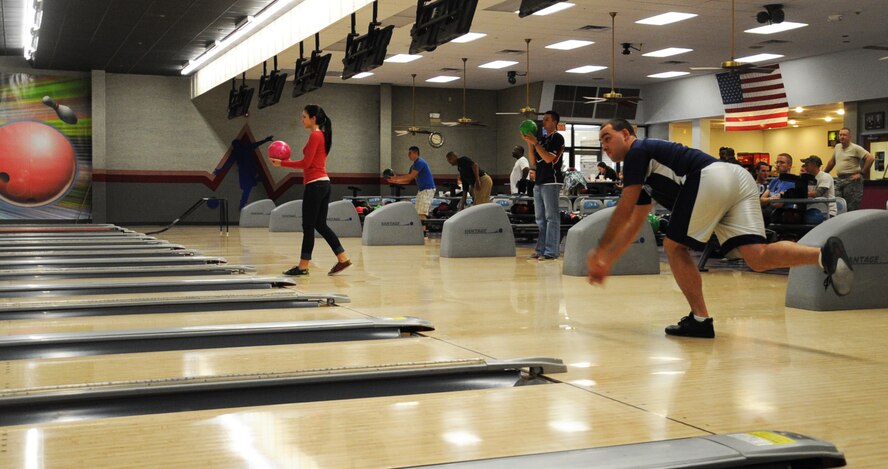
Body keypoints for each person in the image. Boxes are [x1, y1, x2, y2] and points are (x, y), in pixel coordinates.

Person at [586, 119, 853, 339]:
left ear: (626, 134)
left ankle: (700, 320)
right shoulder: (642, 171)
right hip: (737, 178)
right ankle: (822, 254)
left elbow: (624, 207)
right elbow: (634, 220)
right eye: (601, 142)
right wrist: (608, 260)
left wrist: (600, 252)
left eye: (607, 137)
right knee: (757, 257)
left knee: (673, 246)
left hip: (709, 177)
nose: (605, 146)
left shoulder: (638, 150)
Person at [271, 104, 351, 276]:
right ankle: (343, 258)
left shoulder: (316, 135)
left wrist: (283, 163)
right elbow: (310, 162)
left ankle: (303, 266)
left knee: (308, 226)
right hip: (323, 184)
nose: (302, 120)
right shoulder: (321, 136)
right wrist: (291, 161)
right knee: (320, 225)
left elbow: (307, 164)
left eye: (304, 117)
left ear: (313, 118)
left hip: (315, 185)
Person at [521, 110, 565, 260]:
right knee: (540, 218)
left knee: (551, 217)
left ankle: (551, 251)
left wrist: (535, 143)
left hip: (551, 181)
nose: (543, 122)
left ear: (554, 122)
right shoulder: (542, 139)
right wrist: (530, 144)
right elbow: (533, 162)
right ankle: (541, 250)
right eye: (543, 120)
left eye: (546, 120)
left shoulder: (557, 138)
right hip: (539, 181)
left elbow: (548, 158)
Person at [215, 135, 273, 209]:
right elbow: (228, 163)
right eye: (237, 145)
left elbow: (228, 164)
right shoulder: (240, 150)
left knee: (249, 188)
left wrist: (266, 140)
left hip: (250, 171)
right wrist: (220, 170)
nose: (238, 147)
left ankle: (243, 203)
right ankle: (243, 204)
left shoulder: (244, 149)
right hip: (247, 172)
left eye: (238, 145)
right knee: (248, 188)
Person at [824, 127, 875, 211]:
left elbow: (870, 158)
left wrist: (861, 173)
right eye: (840, 135)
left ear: (850, 137)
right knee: (838, 205)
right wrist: (824, 173)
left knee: (851, 207)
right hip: (840, 179)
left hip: (852, 180)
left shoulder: (855, 148)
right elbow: (832, 162)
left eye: (844, 135)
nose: (842, 137)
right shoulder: (837, 147)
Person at [387, 146, 436, 221]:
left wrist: (396, 179)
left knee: (421, 214)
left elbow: (410, 176)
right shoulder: (413, 166)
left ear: (416, 153)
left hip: (427, 190)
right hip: (422, 190)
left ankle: (423, 232)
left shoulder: (420, 162)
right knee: (418, 213)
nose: (408, 155)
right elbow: (408, 180)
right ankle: (421, 231)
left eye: (410, 153)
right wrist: (394, 181)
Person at [760, 153, 796, 223]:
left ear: (789, 165)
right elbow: (761, 200)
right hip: (770, 211)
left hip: (783, 213)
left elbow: (778, 204)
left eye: (782, 163)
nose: (778, 165)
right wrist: (772, 199)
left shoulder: (792, 182)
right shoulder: (775, 180)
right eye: (777, 162)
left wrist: (767, 200)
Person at [802, 155, 837, 221]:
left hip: (826, 212)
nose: (805, 167)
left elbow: (818, 193)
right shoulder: (808, 177)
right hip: (813, 210)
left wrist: (800, 194)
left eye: (807, 165)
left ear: (814, 165)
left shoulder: (825, 177)